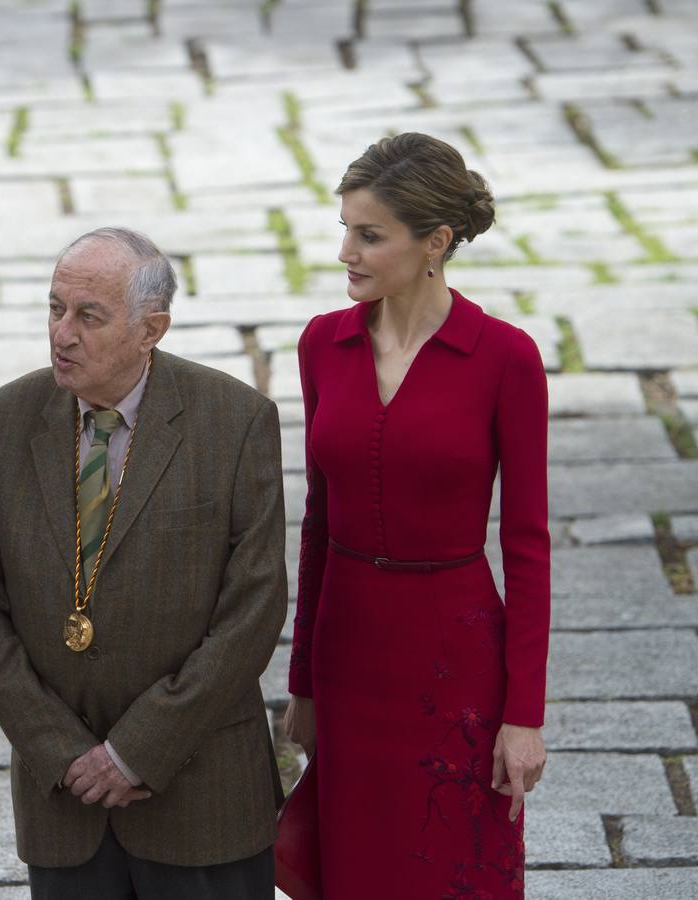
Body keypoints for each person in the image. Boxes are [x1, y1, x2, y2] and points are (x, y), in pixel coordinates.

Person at [0, 227, 288, 899]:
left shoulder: (235, 421)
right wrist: (61, 750)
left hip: (202, 802)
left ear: (150, 329)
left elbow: (251, 612)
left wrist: (137, 749)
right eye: (54, 309)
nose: (62, 333)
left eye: (88, 316)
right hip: (65, 807)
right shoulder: (2, 422)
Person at [282, 132, 549, 897]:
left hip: (456, 661)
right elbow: (317, 526)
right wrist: (302, 680)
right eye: (344, 229)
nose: (345, 252)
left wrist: (522, 715)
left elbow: (528, 547)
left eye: (369, 235)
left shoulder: (506, 358)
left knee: (452, 866)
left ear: (434, 242)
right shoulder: (321, 346)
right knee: (355, 867)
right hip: (348, 653)